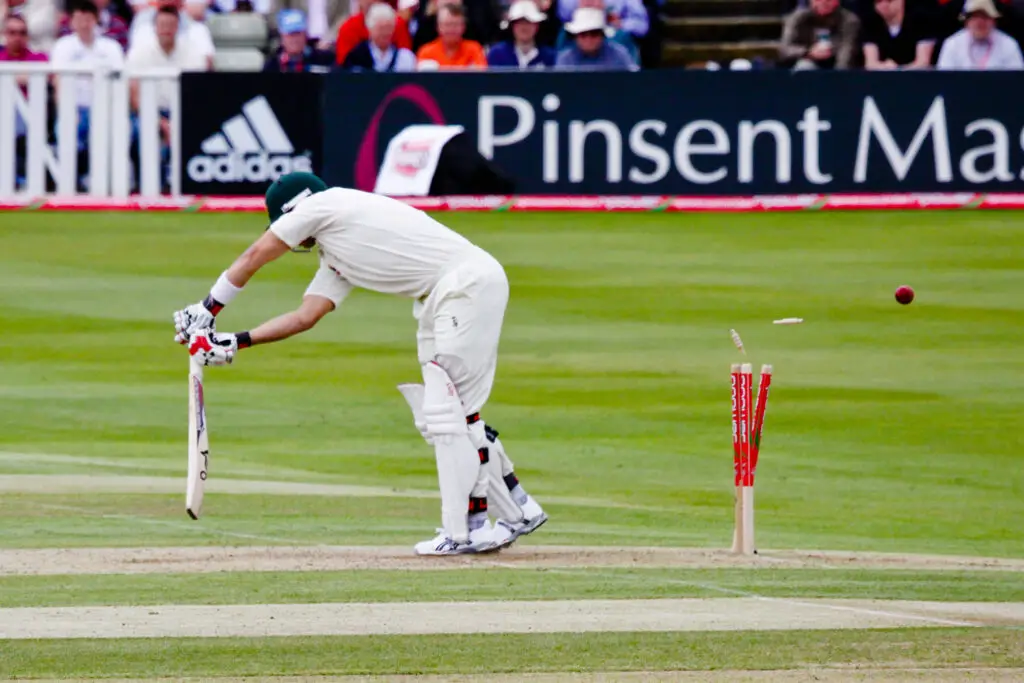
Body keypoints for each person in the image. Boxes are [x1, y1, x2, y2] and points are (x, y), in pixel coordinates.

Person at [171, 172, 549, 556]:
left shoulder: (324, 204)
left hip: (464, 287)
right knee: (445, 416)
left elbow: (255, 255)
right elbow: (306, 315)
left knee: (451, 415)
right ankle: (518, 509)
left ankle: (467, 530)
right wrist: (235, 341)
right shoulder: (337, 251)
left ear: (292, 210)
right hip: (446, 295)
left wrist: (207, 309)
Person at [936, 0, 1024, 69]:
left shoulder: (1008, 45)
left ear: (993, 21)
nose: (980, 22)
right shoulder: (952, 44)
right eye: (974, 17)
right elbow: (944, 82)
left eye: (985, 16)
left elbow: (1017, 82)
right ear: (966, 22)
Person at [777, 0, 860, 70]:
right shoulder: (797, 18)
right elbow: (785, 48)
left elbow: (847, 50)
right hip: (805, 59)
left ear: (837, 1)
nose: (823, 2)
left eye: (828, 0)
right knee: (805, 66)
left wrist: (839, 76)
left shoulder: (849, 20)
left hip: (835, 61)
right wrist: (808, 52)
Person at [342, 2, 417, 70]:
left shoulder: (405, 58)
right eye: (381, 28)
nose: (385, 32)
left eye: (388, 28)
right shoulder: (356, 57)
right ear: (370, 29)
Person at [861, 0, 936, 69]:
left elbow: (923, 63)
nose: (884, 4)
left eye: (889, 0)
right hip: (882, 79)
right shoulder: (871, 24)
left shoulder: (921, 21)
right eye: (879, 1)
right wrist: (885, 68)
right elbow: (870, 64)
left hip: (916, 79)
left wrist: (898, 70)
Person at [555, 6, 637, 69]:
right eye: (583, 34)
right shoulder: (566, 59)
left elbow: (634, 81)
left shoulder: (619, 55)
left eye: (594, 33)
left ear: (602, 35)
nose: (588, 39)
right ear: (576, 36)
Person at [487, 0, 556, 68]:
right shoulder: (497, 54)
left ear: (537, 26)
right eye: (519, 22)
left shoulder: (549, 56)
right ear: (512, 26)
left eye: (529, 22)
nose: (524, 27)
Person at [416, 3, 487, 68]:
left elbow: (481, 77)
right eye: (447, 24)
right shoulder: (426, 52)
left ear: (463, 27)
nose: (452, 29)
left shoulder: (474, 49)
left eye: (456, 24)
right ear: (438, 27)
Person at [263, 9, 335, 72]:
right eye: (290, 34)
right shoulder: (272, 65)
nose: (295, 39)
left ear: (305, 35)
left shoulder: (323, 59)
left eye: (298, 33)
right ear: (282, 37)